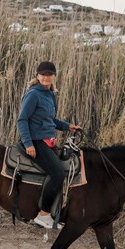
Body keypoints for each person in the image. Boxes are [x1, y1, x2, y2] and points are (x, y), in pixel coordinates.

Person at [16, 60, 81, 229]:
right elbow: (22, 120)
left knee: (66, 169)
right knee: (58, 173)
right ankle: (43, 215)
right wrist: (28, 144)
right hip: (35, 142)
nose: (46, 77)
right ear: (37, 76)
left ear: (54, 76)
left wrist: (68, 126)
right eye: (42, 74)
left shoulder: (50, 94)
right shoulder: (33, 94)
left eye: (49, 74)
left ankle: (58, 212)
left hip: (48, 141)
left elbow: (50, 119)